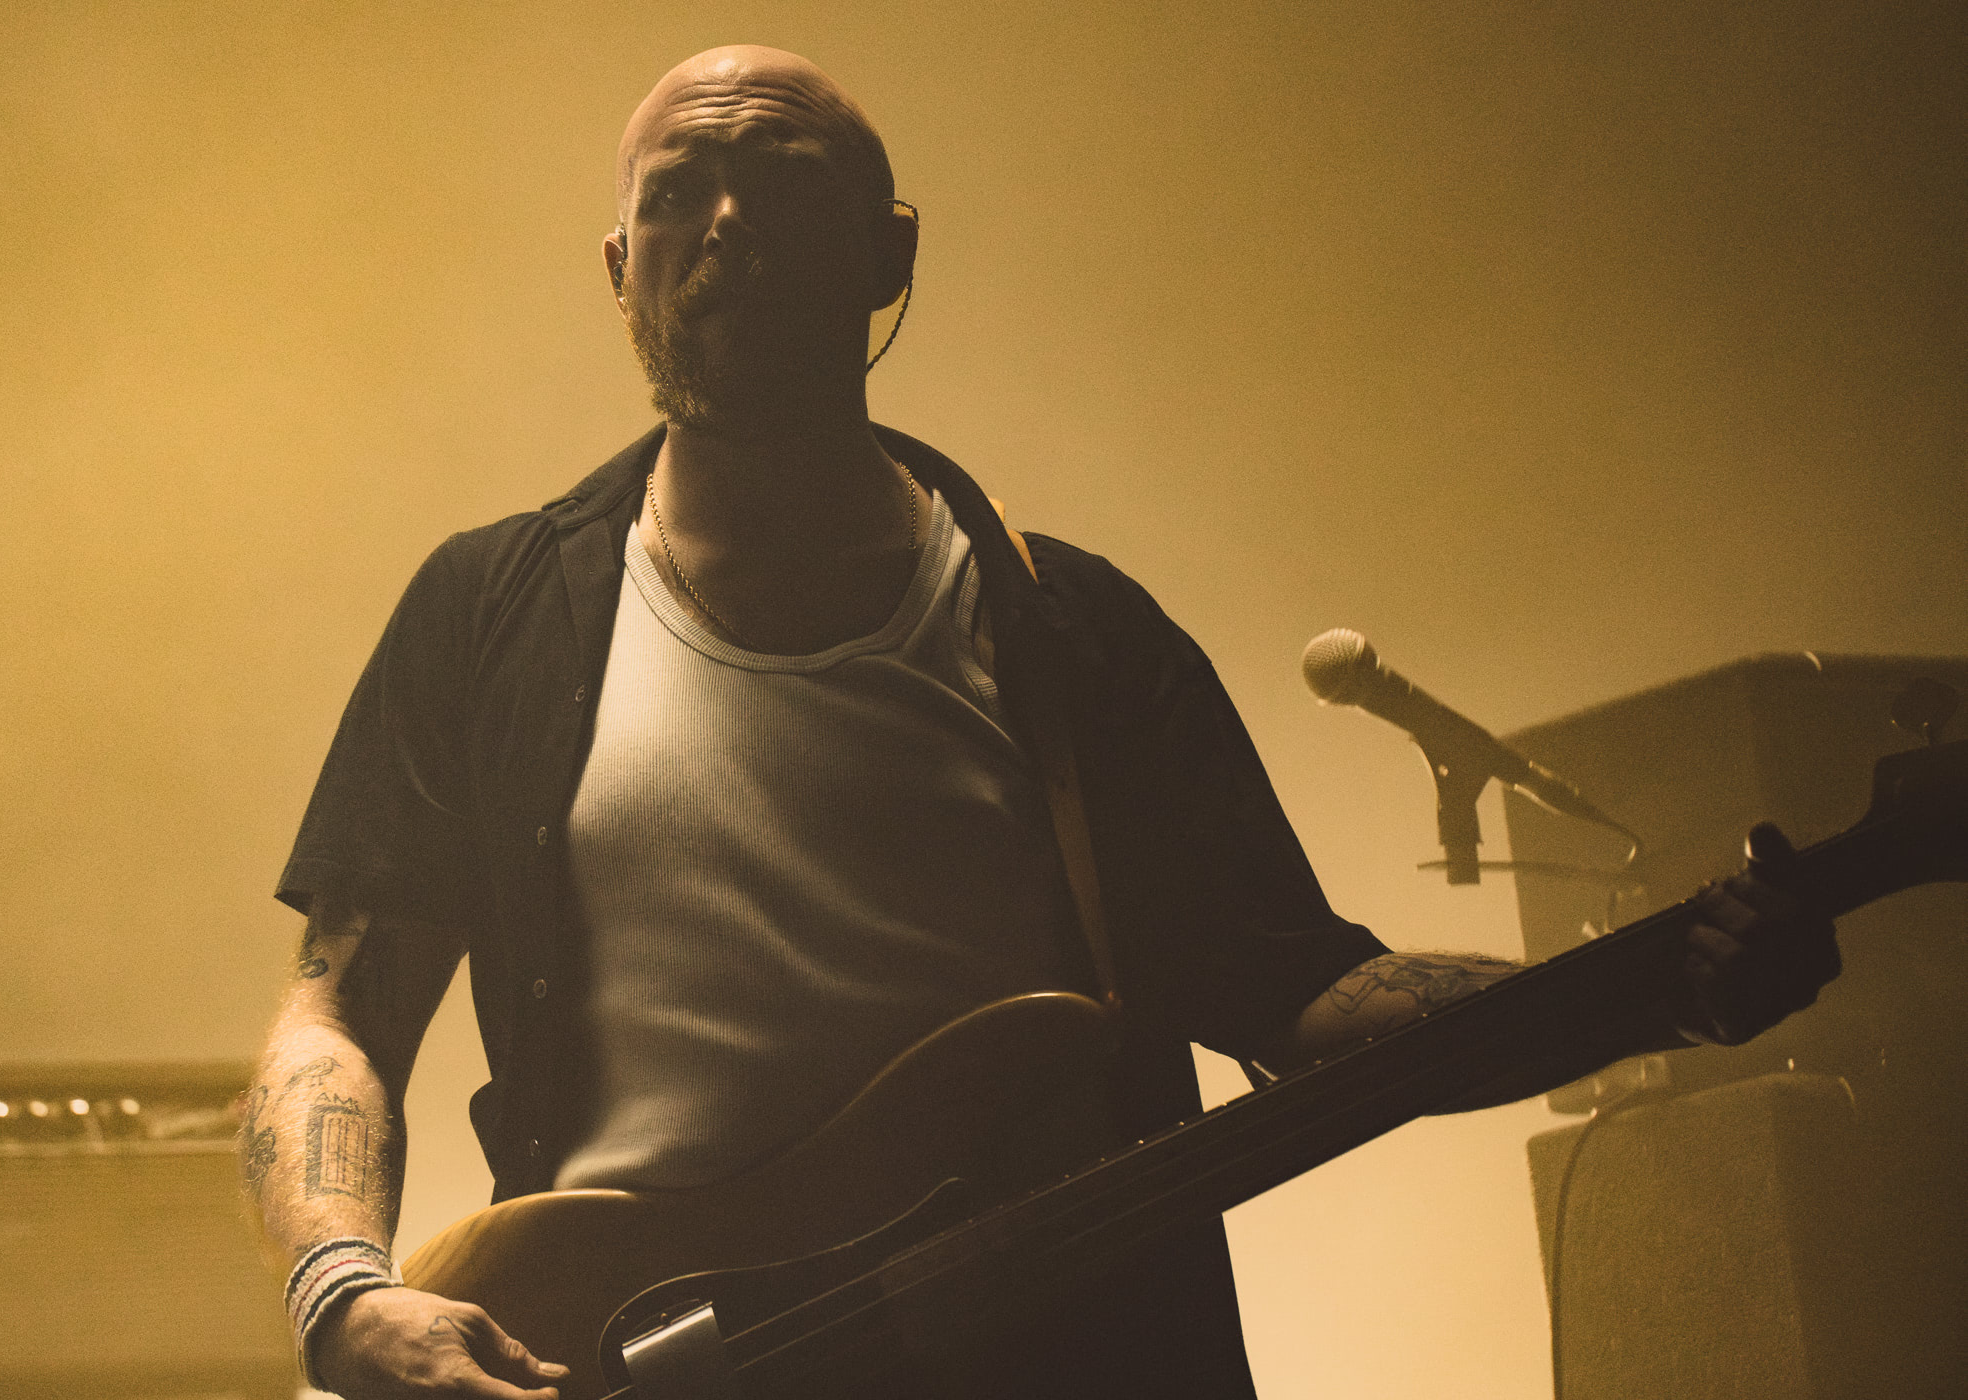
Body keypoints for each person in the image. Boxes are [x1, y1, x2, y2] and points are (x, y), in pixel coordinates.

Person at [242, 45, 1842, 1400]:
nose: (724, 220)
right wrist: (341, 1291)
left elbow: (1310, 996)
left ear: (889, 252)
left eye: (783, 181)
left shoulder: (1074, 633)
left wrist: (1660, 986)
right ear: (618, 269)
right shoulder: (488, 613)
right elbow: (343, 1012)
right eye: (675, 191)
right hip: (627, 1354)